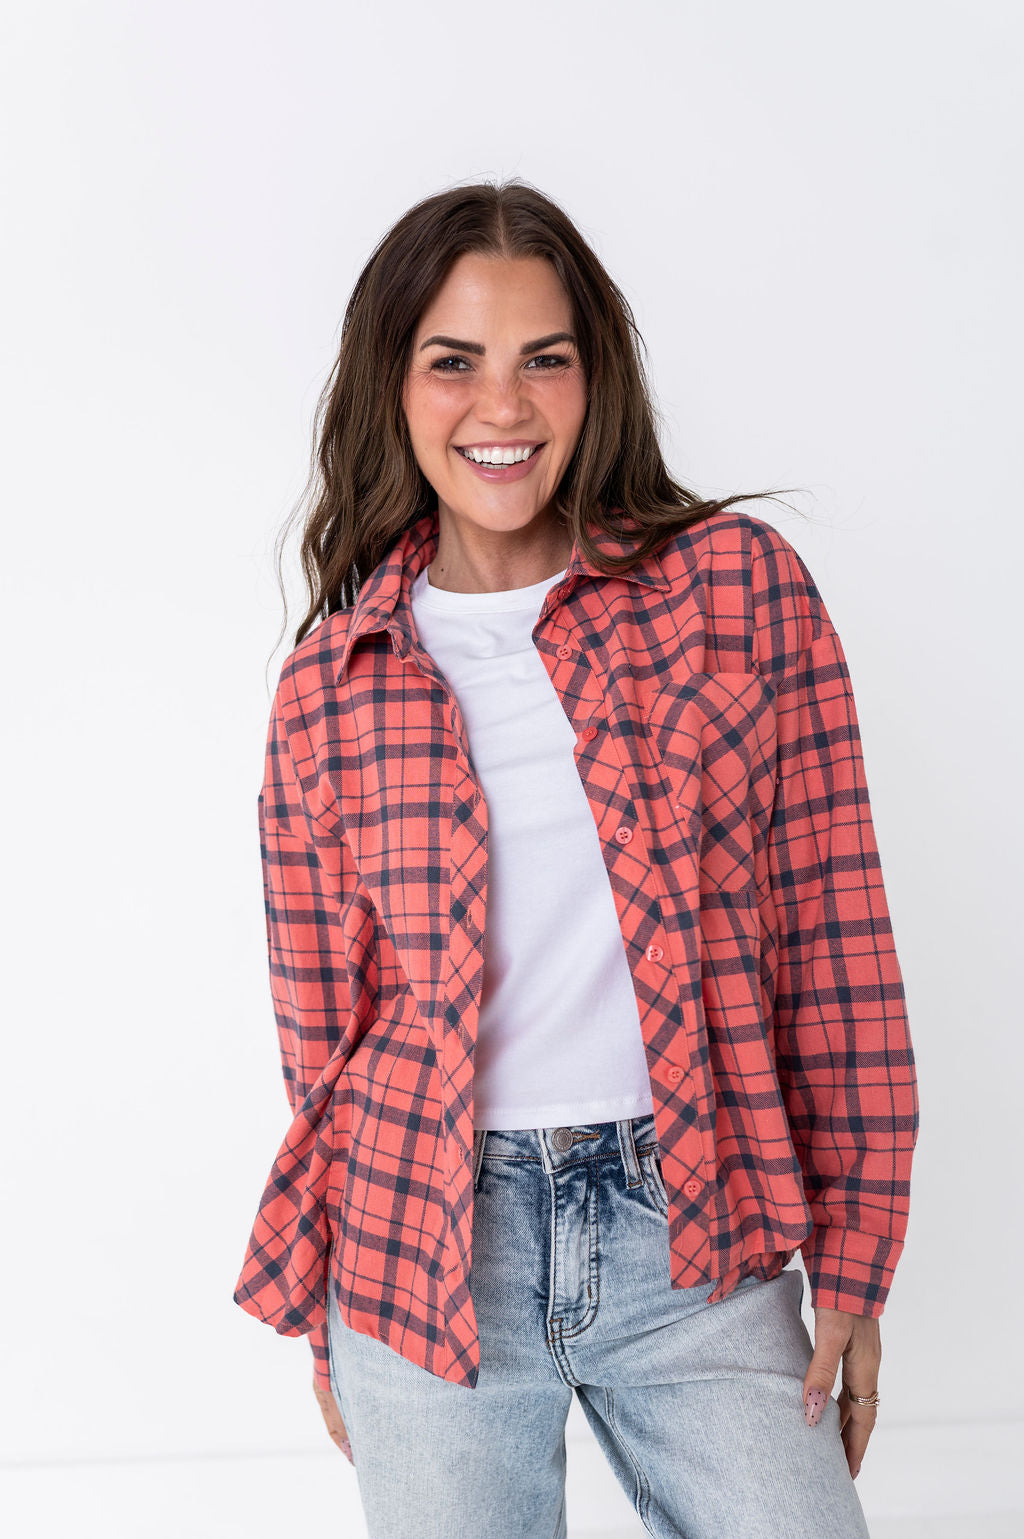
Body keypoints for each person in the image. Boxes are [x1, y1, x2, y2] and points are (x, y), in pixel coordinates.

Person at [233, 179, 919, 1538]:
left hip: (697, 1228)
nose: (503, 404)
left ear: (594, 377)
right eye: (454, 361)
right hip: (423, 1249)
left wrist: (855, 1253)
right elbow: (321, 1031)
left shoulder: (735, 590)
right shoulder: (330, 684)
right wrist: (327, 1314)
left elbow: (833, 926)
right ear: (392, 385)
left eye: (544, 358)